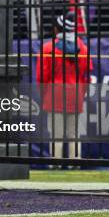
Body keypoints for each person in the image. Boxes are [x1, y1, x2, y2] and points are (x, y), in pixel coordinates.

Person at [35, 12, 93, 160]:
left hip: (54, 94)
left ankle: (55, 163)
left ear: (56, 29)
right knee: (74, 134)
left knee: (56, 134)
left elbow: (42, 77)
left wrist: (45, 94)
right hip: (76, 94)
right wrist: (81, 92)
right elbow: (87, 75)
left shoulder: (48, 48)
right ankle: (75, 162)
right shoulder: (83, 49)